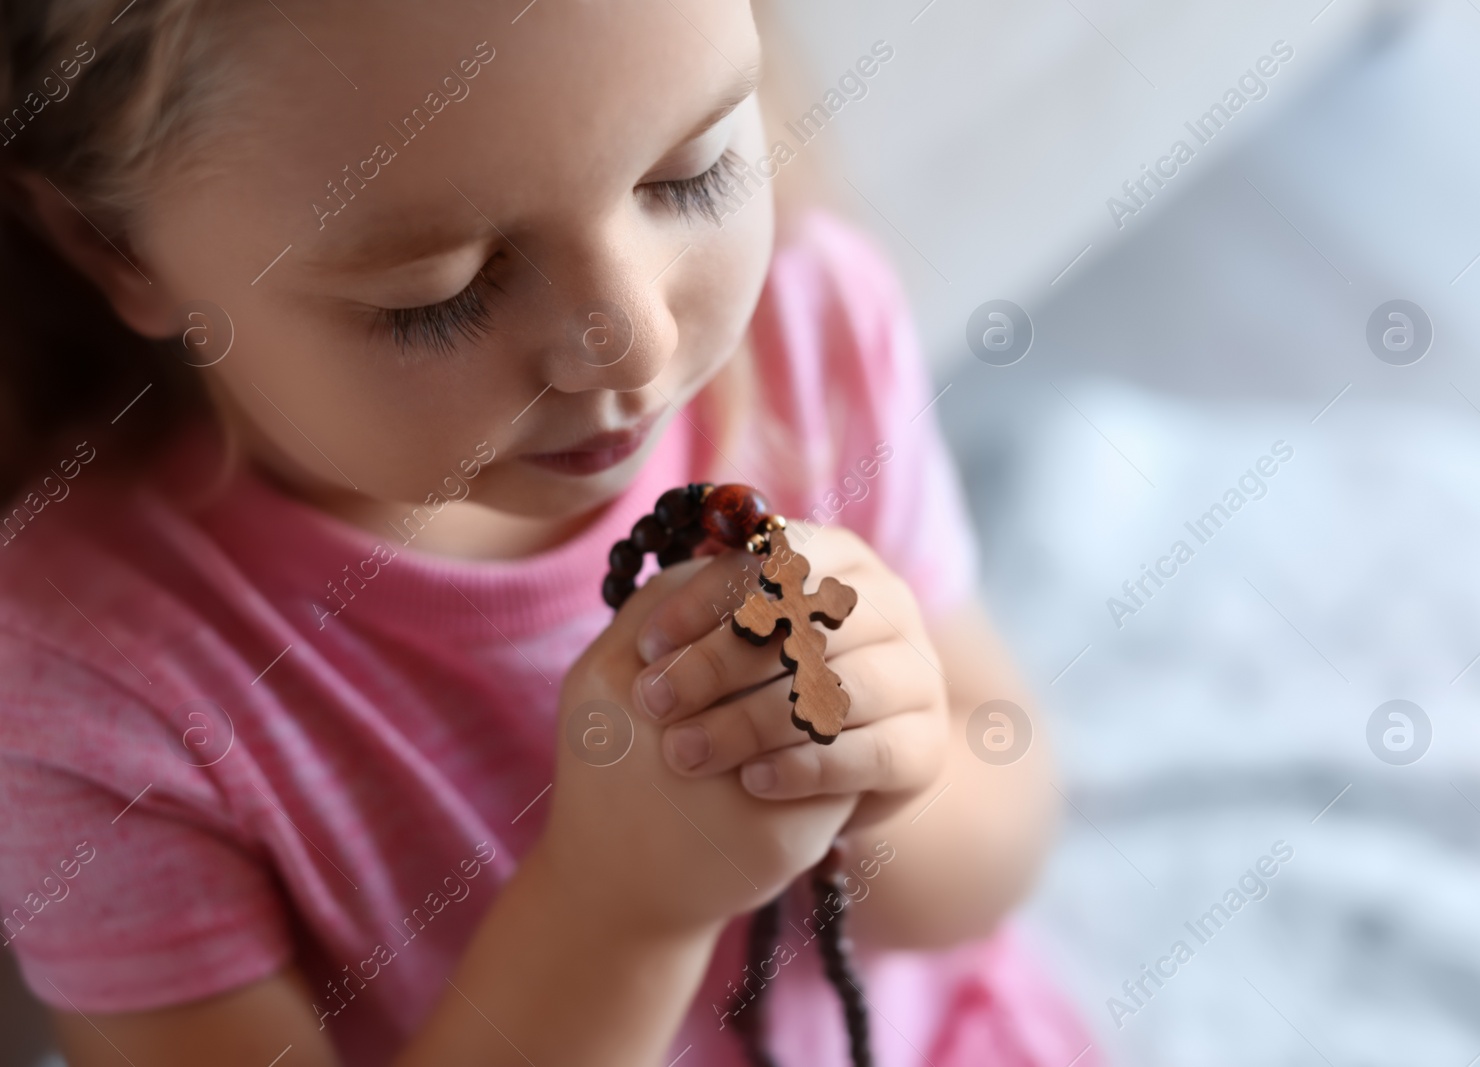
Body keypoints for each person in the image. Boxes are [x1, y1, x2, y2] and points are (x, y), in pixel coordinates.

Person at [0, 1, 1097, 1064]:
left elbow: (1001, 825)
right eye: (441, 294)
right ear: (116, 249)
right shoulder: (90, 686)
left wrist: (875, 783)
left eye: (692, 174)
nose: (634, 341)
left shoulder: (809, 340)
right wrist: (621, 909)